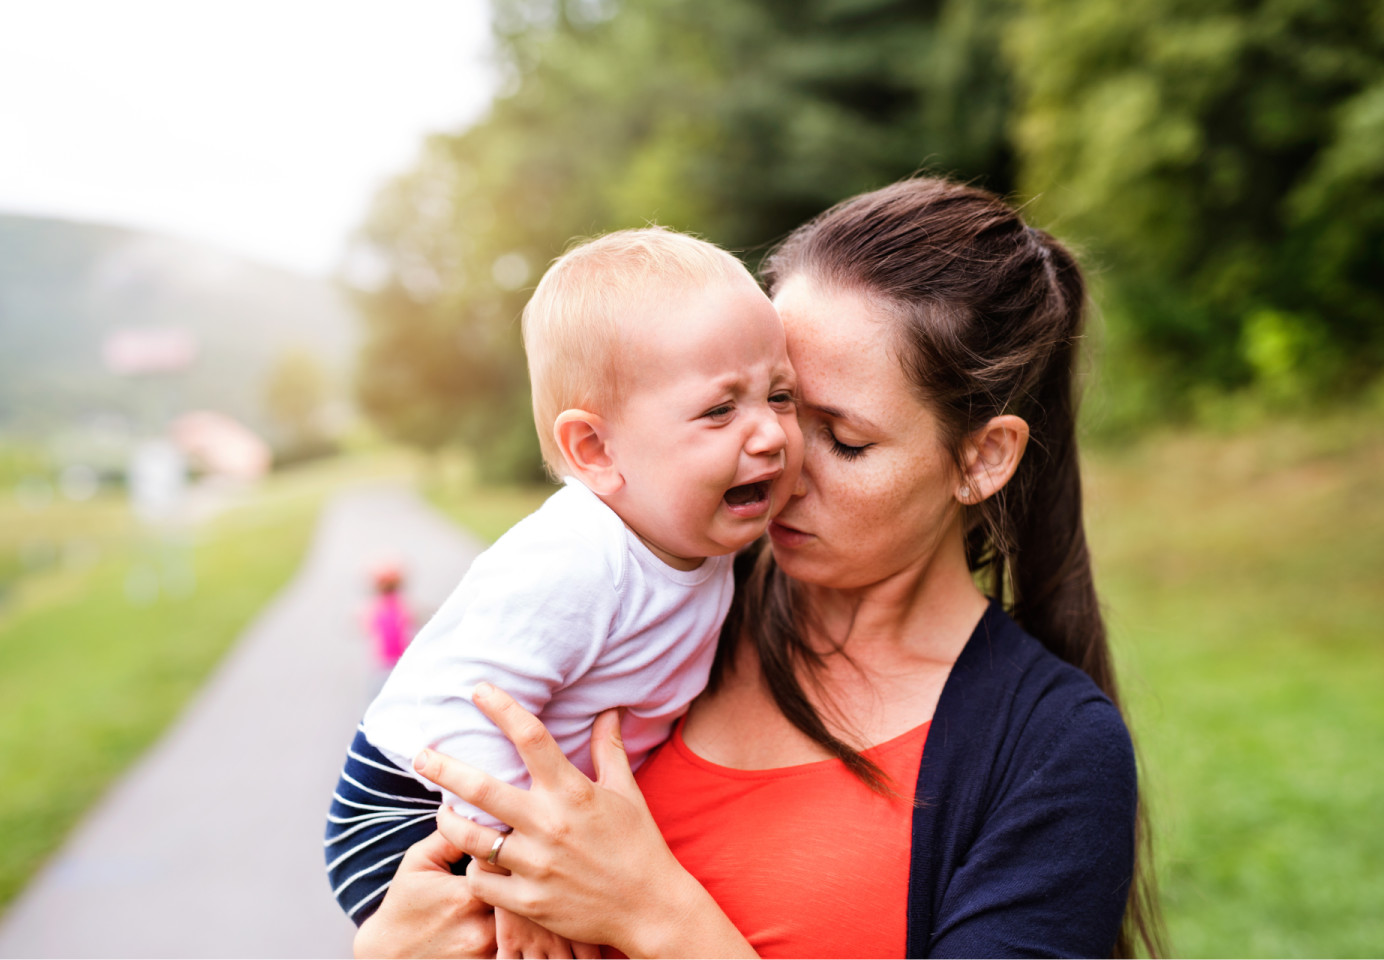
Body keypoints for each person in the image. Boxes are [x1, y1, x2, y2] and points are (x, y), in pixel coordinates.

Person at [354, 178, 1164, 959]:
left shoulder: (1052, 752)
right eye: (771, 402)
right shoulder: (669, 602)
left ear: (983, 458)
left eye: (843, 438)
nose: (776, 457)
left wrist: (656, 914)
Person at [325, 227, 802, 956]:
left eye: (780, 394)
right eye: (720, 410)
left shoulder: (704, 538)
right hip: (410, 804)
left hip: (511, 804)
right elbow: (475, 713)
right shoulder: (578, 559)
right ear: (596, 451)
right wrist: (507, 859)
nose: (769, 433)